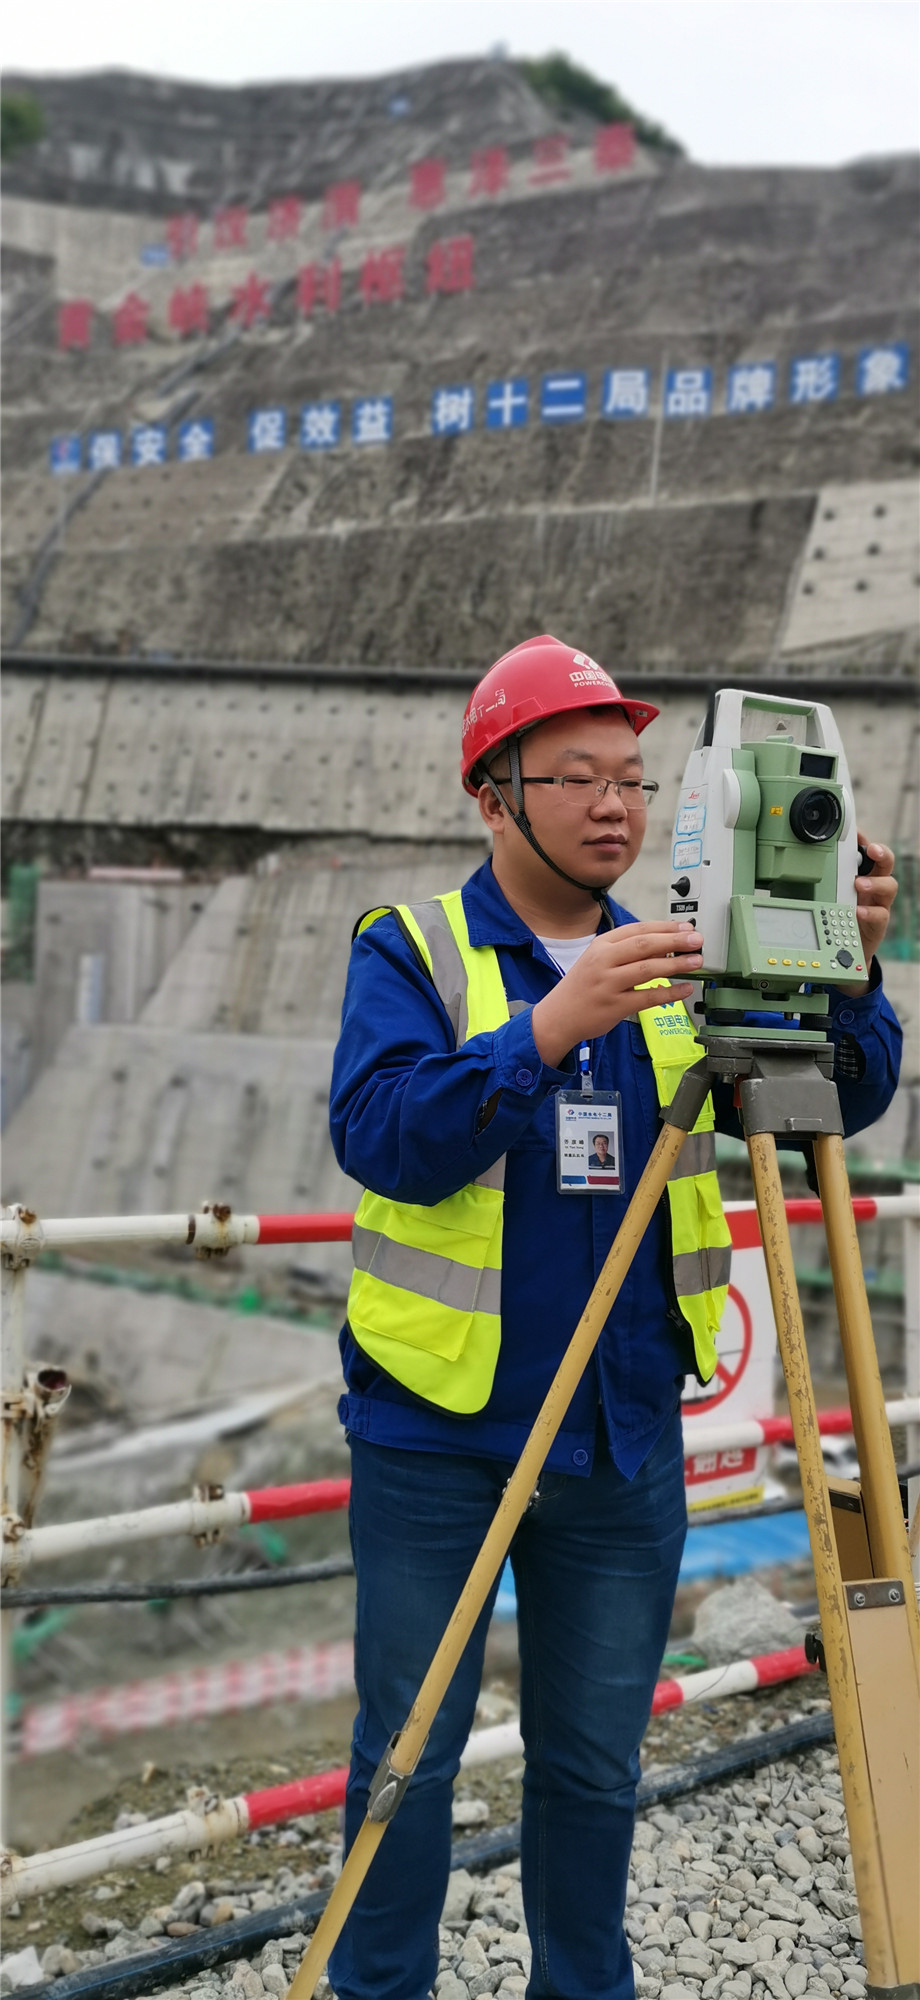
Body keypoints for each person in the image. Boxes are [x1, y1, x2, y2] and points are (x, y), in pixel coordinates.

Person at [328, 635, 900, 2000]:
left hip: (622, 1436)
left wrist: (852, 972)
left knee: (593, 1761)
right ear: (493, 796)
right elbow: (380, 1134)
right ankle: (377, 1987)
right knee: (406, 1754)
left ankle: (586, 1989)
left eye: (634, 781)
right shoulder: (413, 949)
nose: (613, 807)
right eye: (576, 777)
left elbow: (832, 1101)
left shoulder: (691, 956)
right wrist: (543, 1031)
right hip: (438, 1437)